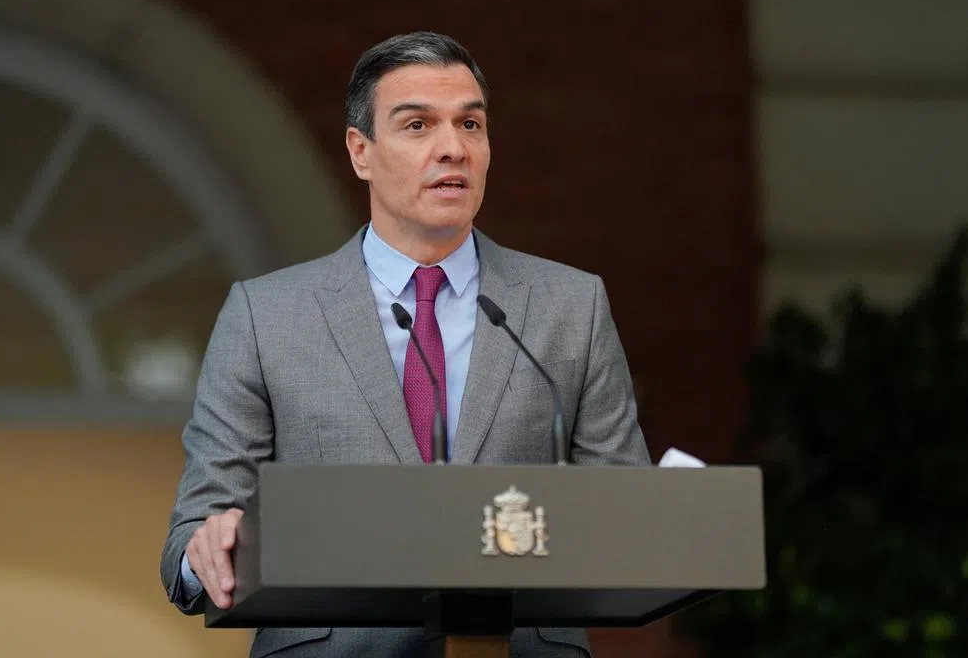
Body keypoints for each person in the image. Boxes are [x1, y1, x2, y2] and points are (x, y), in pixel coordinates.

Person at [161, 32, 651, 657]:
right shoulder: (266, 316)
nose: (453, 148)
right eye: (418, 125)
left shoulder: (570, 306)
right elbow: (192, 536)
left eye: (470, 124)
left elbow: (629, 515)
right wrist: (209, 546)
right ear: (360, 151)